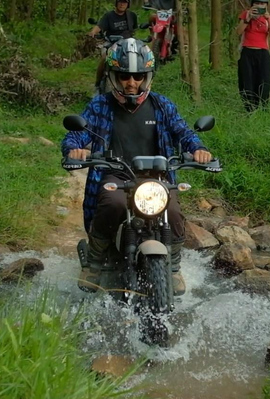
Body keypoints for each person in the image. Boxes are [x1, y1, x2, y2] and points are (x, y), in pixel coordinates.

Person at [61, 38, 213, 296]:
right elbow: (76, 135)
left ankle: (173, 267)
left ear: (147, 76)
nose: (132, 83)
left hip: (158, 178)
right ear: (113, 76)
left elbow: (184, 132)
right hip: (116, 175)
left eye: (138, 76)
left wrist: (198, 149)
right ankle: (94, 264)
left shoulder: (162, 105)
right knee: (113, 204)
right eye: (124, 76)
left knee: (173, 211)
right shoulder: (100, 105)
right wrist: (74, 149)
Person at [88, 0, 139, 93]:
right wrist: (93, 32)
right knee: (105, 59)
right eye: (120, 2)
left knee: (137, 59)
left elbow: (134, 30)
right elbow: (99, 26)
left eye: (125, 2)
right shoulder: (108, 16)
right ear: (116, 3)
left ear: (128, 4)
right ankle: (97, 84)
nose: (122, 4)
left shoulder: (132, 16)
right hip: (111, 43)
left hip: (128, 44)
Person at [236, 0, 270, 111]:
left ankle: (262, 107)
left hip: (263, 53)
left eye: (263, 4)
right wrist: (248, 19)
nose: (260, 6)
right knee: (247, 79)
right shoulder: (246, 14)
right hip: (247, 52)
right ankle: (249, 107)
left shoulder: (269, 18)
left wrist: (268, 19)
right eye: (257, 3)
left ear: (267, 6)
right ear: (252, 5)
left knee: (264, 80)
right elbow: (238, 32)